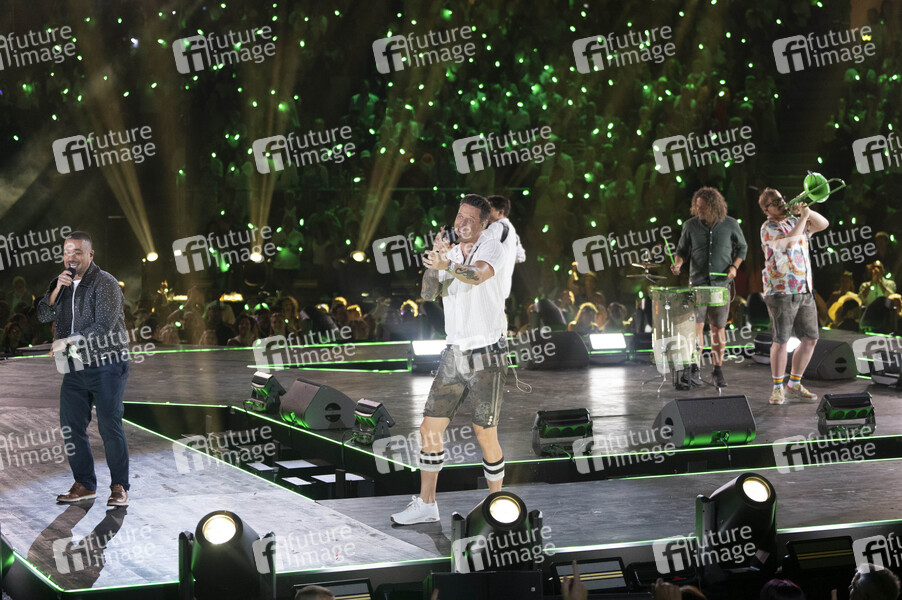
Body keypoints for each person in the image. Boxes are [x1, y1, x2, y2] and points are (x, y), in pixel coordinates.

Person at [391, 194, 510, 525]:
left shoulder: (491, 247)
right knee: (429, 427)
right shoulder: (451, 254)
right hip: (454, 352)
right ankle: (427, 503)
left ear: (483, 224)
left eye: (470, 219)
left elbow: (478, 275)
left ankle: (497, 504)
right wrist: (435, 262)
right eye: (460, 216)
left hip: (487, 352)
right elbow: (429, 293)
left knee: (484, 432)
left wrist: (448, 266)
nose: (462, 223)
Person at [36, 231, 131, 507]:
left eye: (77, 252)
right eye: (67, 252)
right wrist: (56, 289)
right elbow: (43, 314)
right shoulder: (62, 282)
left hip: (107, 362)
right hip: (74, 363)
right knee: (71, 426)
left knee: (109, 425)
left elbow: (104, 327)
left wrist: (66, 341)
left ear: (90, 254)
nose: (71, 257)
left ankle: (119, 487)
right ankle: (85, 484)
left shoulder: (106, 283)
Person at [671, 187, 748, 388]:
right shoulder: (690, 225)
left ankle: (718, 370)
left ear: (714, 207)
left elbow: (743, 247)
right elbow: (681, 251)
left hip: (720, 286)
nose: (699, 210)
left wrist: (734, 267)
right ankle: (694, 369)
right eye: (697, 207)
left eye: (703, 207)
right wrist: (678, 264)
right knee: (695, 329)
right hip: (697, 285)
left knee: (718, 329)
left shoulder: (730, 224)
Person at [758, 188, 829, 405]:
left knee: (811, 339)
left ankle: (794, 383)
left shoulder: (793, 221)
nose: (781, 203)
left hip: (804, 288)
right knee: (781, 340)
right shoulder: (768, 227)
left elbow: (823, 224)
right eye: (774, 202)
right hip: (780, 290)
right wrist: (803, 218)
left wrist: (806, 212)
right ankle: (777, 388)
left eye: (781, 199)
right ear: (765, 210)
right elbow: (788, 243)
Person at [486, 194, 526, 300]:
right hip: (502, 289)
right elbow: (521, 256)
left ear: (500, 212)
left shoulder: (497, 226)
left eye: (489, 208)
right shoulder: (512, 231)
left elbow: (477, 246)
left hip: (490, 289)